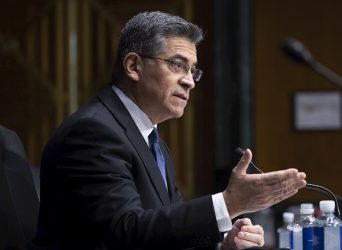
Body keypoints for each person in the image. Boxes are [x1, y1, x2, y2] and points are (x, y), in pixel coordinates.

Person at [35, 11, 307, 249]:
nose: (190, 82)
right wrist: (228, 203)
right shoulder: (93, 132)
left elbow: (163, 234)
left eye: (193, 71)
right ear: (133, 66)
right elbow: (125, 231)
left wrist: (222, 245)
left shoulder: (152, 141)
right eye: (177, 65)